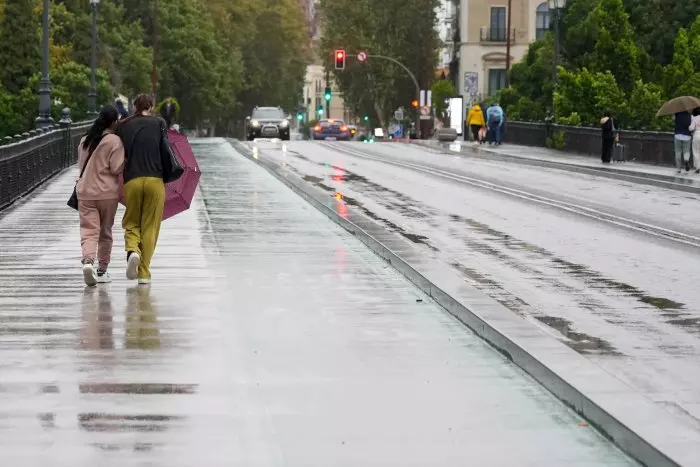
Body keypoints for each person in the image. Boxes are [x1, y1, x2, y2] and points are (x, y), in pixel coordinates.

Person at [117, 93, 167, 285]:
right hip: (155, 179)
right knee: (150, 226)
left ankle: (132, 251)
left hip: (132, 180)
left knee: (131, 222)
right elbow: (164, 150)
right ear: (151, 106)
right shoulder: (159, 123)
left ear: (134, 106)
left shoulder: (124, 125)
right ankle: (144, 273)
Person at [77, 105, 125, 286]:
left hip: (85, 193)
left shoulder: (84, 140)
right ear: (113, 122)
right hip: (107, 193)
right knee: (105, 232)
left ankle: (88, 261)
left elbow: (80, 166)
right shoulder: (114, 141)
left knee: (88, 231)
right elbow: (116, 168)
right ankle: (102, 270)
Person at [689, 108, 700, 174]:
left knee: (696, 152)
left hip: (697, 135)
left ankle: (698, 167)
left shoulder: (694, 118)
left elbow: (691, 128)